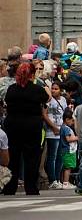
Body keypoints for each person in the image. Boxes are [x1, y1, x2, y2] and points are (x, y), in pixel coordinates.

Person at [2, 63, 49, 195]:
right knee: (32, 157)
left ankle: (10, 187)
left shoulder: (11, 89)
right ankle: (31, 187)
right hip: (32, 125)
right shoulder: (37, 89)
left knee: (13, 157)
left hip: (13, 125)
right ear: (32, 75)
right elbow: (47, 98)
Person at [44, 81, 68, 188]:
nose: (53, 91)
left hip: (61, 131)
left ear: (61, 90)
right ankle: (52, 180)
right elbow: (44, 114)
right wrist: (53, 127)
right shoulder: (48, 100)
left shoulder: (63, 100)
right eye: (52, 88)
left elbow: (65, 114)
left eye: (56, 89)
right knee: (52, 156)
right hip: (52, 132)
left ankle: (58, 179)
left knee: (60, 157)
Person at [59, 109, 78, 190]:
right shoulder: (66, 128)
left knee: (66, 166)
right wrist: (77, 138)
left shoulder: (63, 128)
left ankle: (65, 182)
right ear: (67, 119)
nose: (73, 122)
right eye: (72, 120)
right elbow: (68, 139)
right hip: (68, 150)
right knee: (68, 167)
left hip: (66, 150)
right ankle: (66, 183)